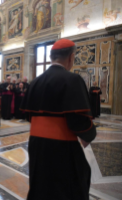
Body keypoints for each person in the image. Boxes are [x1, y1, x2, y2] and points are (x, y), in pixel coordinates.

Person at [20, 39, 97, 200]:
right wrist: (90, 134)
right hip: (62, 147)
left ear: (51, 57)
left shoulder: (34, 82)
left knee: (40, 184)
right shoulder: (73, 80)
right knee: (70, 185)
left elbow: (29, 116)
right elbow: (78, 120)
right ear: (71, 57)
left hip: (36, 144)